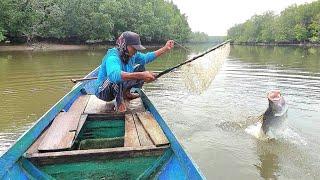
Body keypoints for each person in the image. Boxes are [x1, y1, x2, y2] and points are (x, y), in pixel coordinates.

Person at [95, 31, 174, 112]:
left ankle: (126, 93)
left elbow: (145, 58)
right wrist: (141, 76)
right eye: (134, 48)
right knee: (117, 76)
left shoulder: (132, 55)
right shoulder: (113, 56)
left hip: (118, 86)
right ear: (124, 45)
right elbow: (114, 75)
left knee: (140, 67)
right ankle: (120, 103)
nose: (136, 51)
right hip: (103, 92)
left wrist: (165, 48)